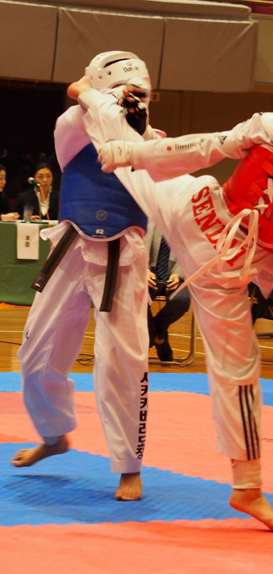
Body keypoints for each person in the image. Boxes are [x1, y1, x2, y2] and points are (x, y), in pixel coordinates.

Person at [70, 48, 273, 532]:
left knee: (132, 162)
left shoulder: (269, 127)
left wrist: (132, 152)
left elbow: (203, 147)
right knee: (237, 371)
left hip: (198, 216)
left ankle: (93, 98)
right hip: (229, 265)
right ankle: (248, 485)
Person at [11, 51, 161, 502]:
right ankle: (54, 435)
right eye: (125, 93)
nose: (133, 101)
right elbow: (88, 108)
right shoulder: (72, 128)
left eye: (140, 94)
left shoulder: (154, 140)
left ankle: (129, 466)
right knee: (35, 353)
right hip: (72, 247)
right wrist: (89, 90)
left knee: (123, 361)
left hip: (125, 256)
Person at [144, 220, 190, 361]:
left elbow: (191, 253)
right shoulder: (144, 219)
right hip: (147, 275)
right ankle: (160, 339)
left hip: (177, 276)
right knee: (137, 300)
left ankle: (156, 333)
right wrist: (144, 270)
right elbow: (134, 249)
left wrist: (178, 274)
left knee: (182, 300)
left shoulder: (188, 222)